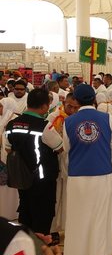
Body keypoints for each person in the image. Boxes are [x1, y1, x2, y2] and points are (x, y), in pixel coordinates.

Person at [63, 84, 112, 255]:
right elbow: (111, 145)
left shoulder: (68, 122)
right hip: (102, 174)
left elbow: (66, 148)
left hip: (77, 176)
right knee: (99, 218)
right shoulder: (108, 118)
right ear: (94, 99)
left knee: (78, 217)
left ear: (75, 100)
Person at [4, 89, 63, 235]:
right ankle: (41, 251)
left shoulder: (11, 124)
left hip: (21, 177)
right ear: (44, 107)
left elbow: (7, 149)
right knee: (43, 213)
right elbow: (60, 147)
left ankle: (27, 246)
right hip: (42, 179)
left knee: (25, 209)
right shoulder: (44, 126)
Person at [48, 93, 80, 238]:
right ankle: (53, 230)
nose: (72, 110)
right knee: (54, 197)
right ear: (64, 102)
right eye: (69, 106)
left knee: (70, 198)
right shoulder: (53, 117)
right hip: (55, 162)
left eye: (75, 107)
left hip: (73, 163)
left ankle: (70, 228)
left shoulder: (79, 120)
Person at [0, 97, 18, 220]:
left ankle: (12, 213)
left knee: (12, 186)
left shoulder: (15, 120)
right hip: (2, 157)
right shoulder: (2, 119)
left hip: (11, 157)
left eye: (1, 106)